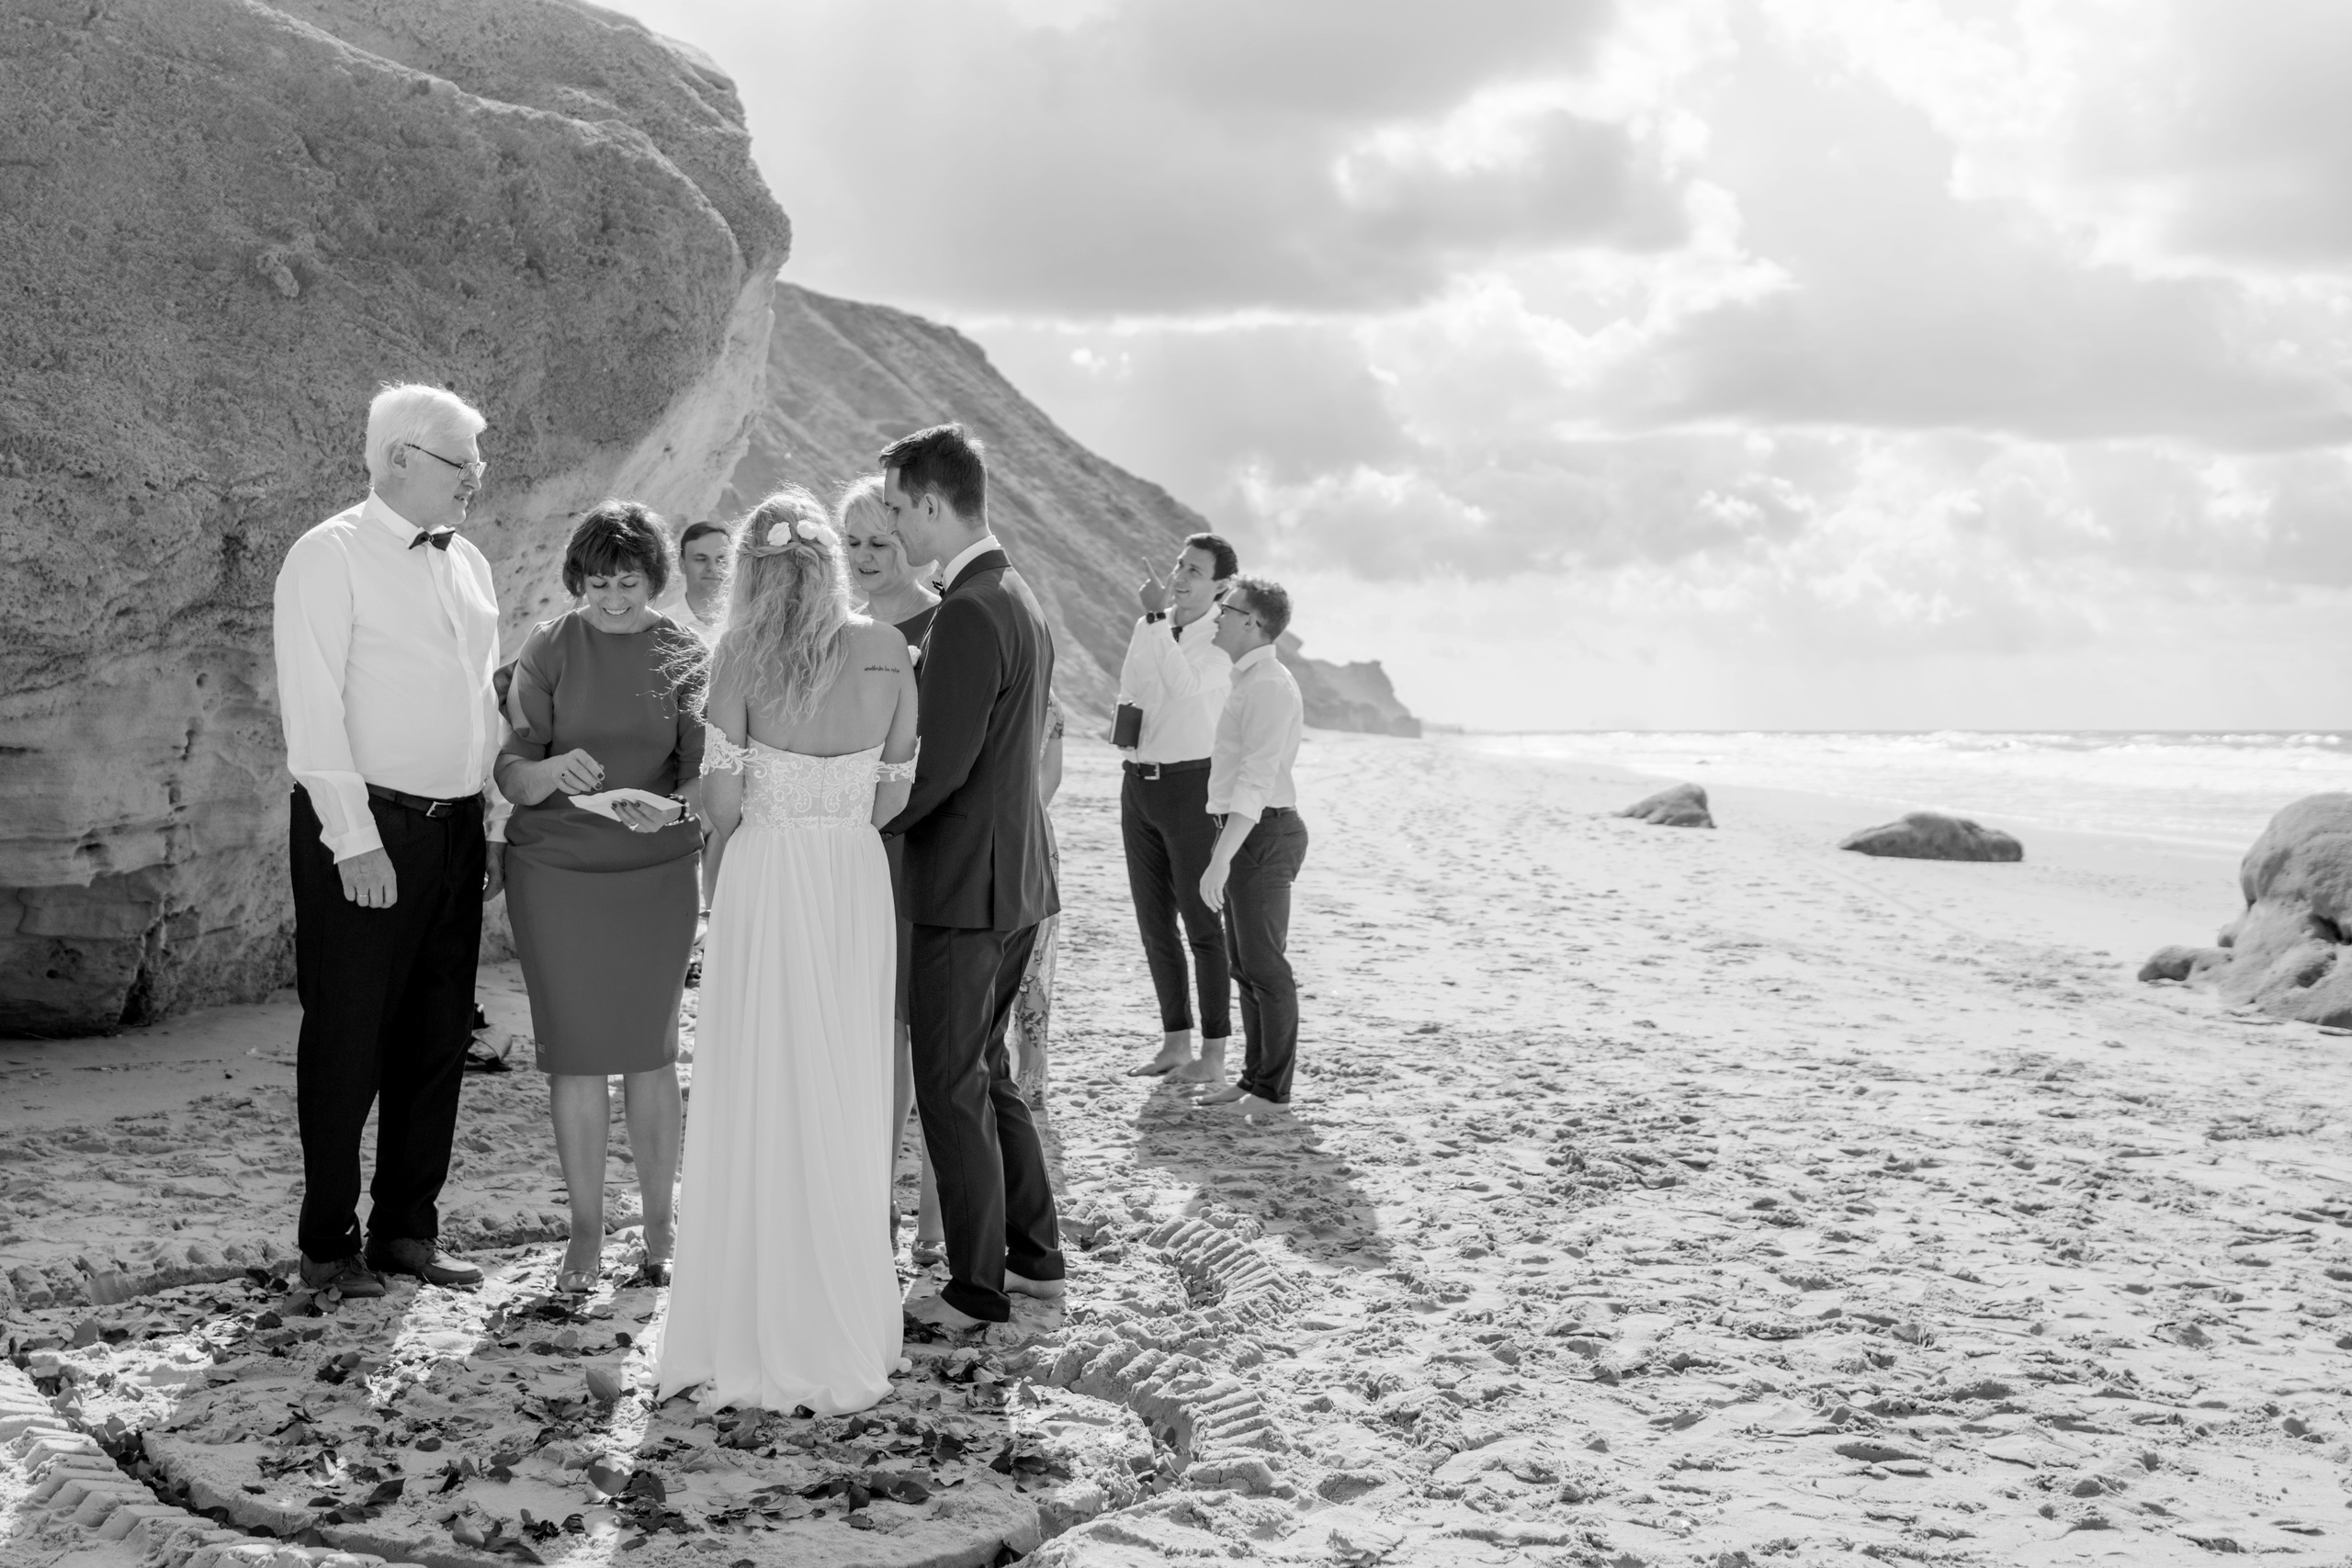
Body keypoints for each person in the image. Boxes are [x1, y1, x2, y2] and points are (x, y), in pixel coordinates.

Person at [656, 487, 917, 1414]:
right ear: (831, 568)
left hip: (765, 882)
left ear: (752, 578)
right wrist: (830, 806)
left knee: (759, 1083)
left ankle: (750, 1310)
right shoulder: (888, 650)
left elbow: (722, 809)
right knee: (844, 1084)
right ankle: (843, 1312)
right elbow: (892, 800)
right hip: (851, 881)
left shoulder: (735, 655)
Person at [271, 382, 504, 1296]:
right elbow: (312, 705)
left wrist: (488, 821)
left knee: (437, 1037)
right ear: (401, 458)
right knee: (347, 1038)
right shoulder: (327, 556)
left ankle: (407, 1231)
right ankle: (327, 1243)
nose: (476, 479)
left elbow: (477, 703)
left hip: (456, 831)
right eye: (463, 463)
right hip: (365, 830)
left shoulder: (470, 564)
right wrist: (352, 839)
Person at [878, 423, 1065, 1332]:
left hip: (965, 885)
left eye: (894, 509)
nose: (892, 528)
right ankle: (1036, 1259)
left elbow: (938, 768)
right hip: (1017, 877)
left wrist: (860, 821)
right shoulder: (1016, 594)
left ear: (927, 501)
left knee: (949, 1078)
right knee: (986, 1073)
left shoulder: (966, 611)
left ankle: (977, 1289)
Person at [494, 502, 701, 1295]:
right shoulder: (547, 646)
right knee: (576, 1057)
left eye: (630, 581)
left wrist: (672, 808)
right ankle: (585, 1233)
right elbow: (513, 770)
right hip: (557, 876)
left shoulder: (684, 651)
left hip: (655, 873)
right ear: (577, 579)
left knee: (653, 1052)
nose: (614, 597)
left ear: (654, 578)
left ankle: (658, 1228)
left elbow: (701, 771)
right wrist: (554, 771)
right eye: (599, 582)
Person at [839, 475, 944, 1259]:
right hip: (845, 848)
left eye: (881, 541)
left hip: (920, 845)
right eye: (853, 544)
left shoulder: (946, 623)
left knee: (923, 1036)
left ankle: (936, 1222)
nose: (867, 557)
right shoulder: (835, 627)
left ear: (908, 540)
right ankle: (870, 1208)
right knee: (871, 1039)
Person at [1116, 535, 1238, 1082]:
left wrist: (1155, 620)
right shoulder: (1151, 625)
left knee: (1202, 924)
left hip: (1193, 788)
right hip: (1139, 785)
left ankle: (1214, 1056)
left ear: (1221, 586)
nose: (1181, 576)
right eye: (1178, 565)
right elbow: (1135, 686)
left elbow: (1186, 686)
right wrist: (1126, 732)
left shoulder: (1222, 637)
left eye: (1195, 570)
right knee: (1153, 923)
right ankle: (1175, 1044)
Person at [1195, 578, 1308, 1116]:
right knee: (1245, 965)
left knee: (1265, 966)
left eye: (1227, 607)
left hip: (1263, 832)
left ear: (1252, 622)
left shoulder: (1267, 685)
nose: (1216, 615)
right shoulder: (1251, 680)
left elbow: (1256, 783)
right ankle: (1253, 1079)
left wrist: (1221, 857)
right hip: (1249, 830)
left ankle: (1273, 1092)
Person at [1012, 691, 1066, 1110]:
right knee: (1031, 965)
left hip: (994, 828)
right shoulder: (1049, 700)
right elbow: (1052, 778)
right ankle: (1030, 1083)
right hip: (1036, 833)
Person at [672, 521, 731, 648]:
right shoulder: (658, 625)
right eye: (701, 559)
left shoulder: (746, 625)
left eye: (721, 560)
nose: (713, 568)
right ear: (682, 564)